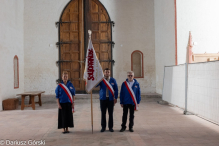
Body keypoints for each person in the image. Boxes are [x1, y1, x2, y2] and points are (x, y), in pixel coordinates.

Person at [96, 68, 118, 132]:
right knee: (103, 114)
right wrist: (94, 80)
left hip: (111, 100)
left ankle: (110, 127)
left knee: (110, 114)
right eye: (106, 72)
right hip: (103, 99)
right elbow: (95, 85)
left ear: (110, 73)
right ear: (104, 73)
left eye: (108, 72)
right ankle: (103, 127)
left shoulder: (113, 80)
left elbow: (116, 89)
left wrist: (115, 98)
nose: (107, 73)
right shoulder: (101, 80)